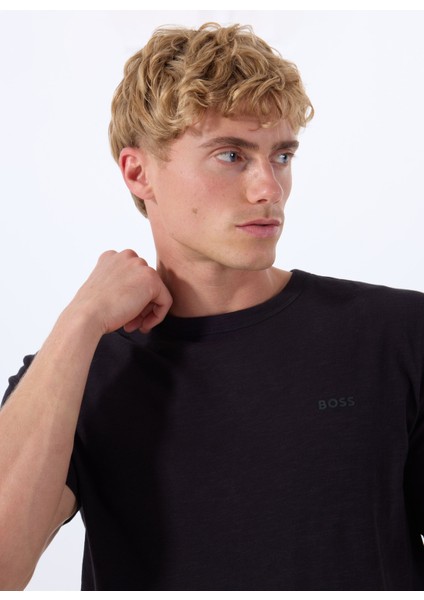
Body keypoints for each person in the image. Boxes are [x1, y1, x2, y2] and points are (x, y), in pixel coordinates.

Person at [1, 21, 424, 591]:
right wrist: (79, 322)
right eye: (231, 155)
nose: (269, 189)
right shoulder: (80, 370)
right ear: (138, 172)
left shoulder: (396, 336)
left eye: (282, 155)